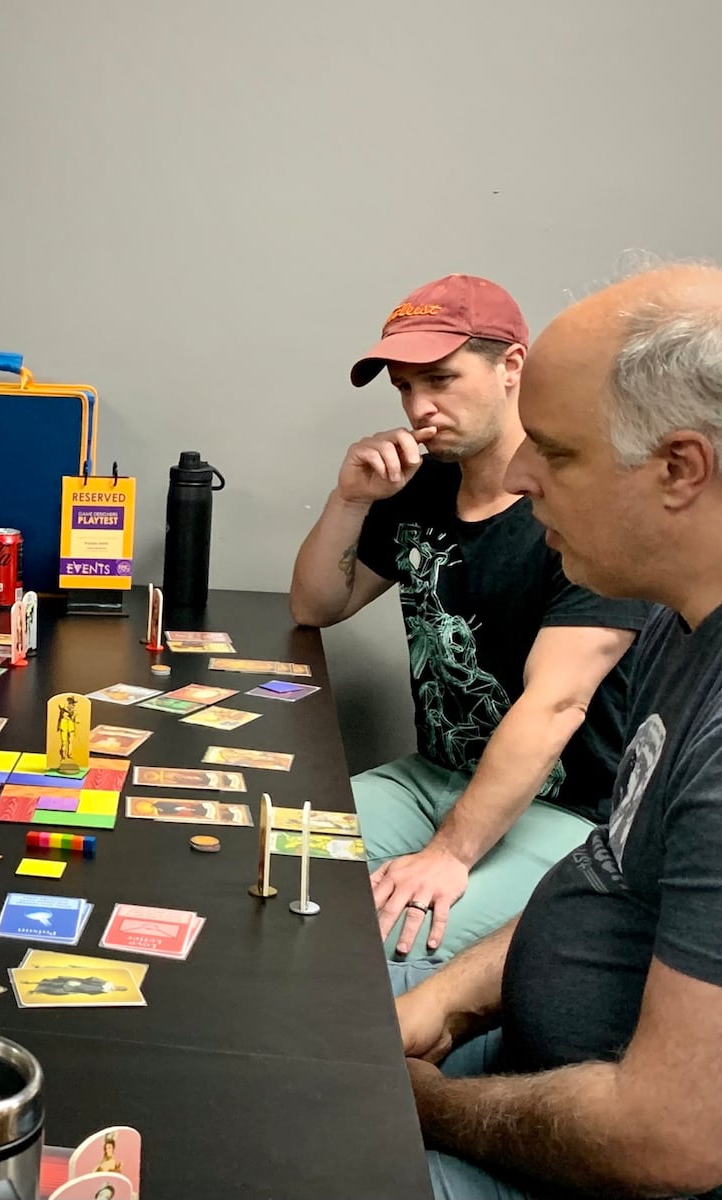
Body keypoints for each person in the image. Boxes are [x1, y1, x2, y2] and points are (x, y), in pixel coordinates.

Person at [394, 264, 722, 1200]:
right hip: (527, 1056)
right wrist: (445, 998)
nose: (523, 476)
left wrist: (432, 1107)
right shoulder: (674, 620)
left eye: (560, 452)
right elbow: (606, 879)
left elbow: (671, 1141)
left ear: (678, 469)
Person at [288, 274, 648, 959]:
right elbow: (316, 605)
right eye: (404, 387)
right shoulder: (420, 485)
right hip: (430, 776)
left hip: (561, 815)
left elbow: (558, 703)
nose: (420, 406)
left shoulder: (581, 506)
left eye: (440, 379)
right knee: (271, 862)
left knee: (389, 952)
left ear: (512, 365)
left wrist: (448, 854)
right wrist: (350, 499)